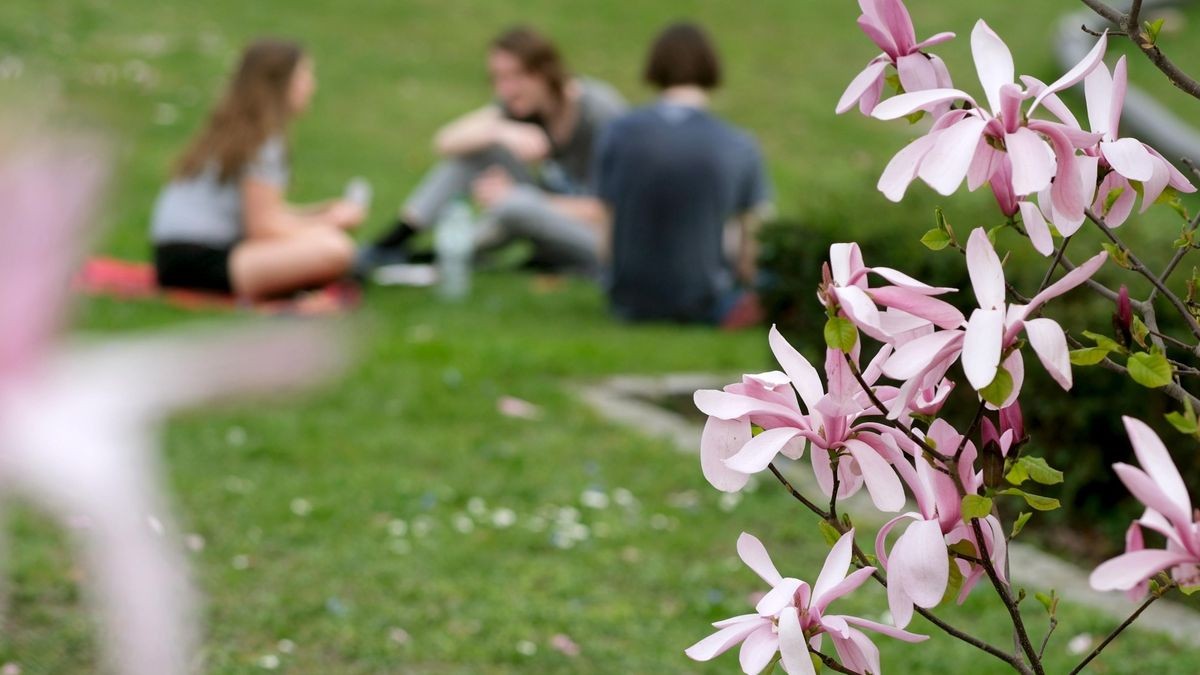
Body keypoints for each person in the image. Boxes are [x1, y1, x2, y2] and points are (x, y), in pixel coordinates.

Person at [360, 26, 625, 277]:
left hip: (604, 243)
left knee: (515, 204)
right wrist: (500, 130)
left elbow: (614, 210)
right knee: (479, 151)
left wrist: (524, 197)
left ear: (544, 73)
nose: (504, 89)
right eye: (497, 78)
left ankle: (452, 253)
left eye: (514, 76)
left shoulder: (600, 111)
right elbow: (444, 142)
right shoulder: (522, 106)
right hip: (545, 218)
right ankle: (392, 242)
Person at [150, 39, 362, 299]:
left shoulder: (237, 132)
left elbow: (261, 214)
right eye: (304, 76)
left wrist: (317, 216)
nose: (311, 86)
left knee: (325, 241)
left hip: (176, 257)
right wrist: (323, 225)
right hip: (202, 262)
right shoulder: (262, 142)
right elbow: (262, 228)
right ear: (281, 82)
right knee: (335, 250)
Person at [595, 22, 773, 326]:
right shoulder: (738, 144)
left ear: (655, 67)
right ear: (711, 68)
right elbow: (751, 244)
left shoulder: (618, 133)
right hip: (702, 302)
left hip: (628, 302)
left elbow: (606, 227)